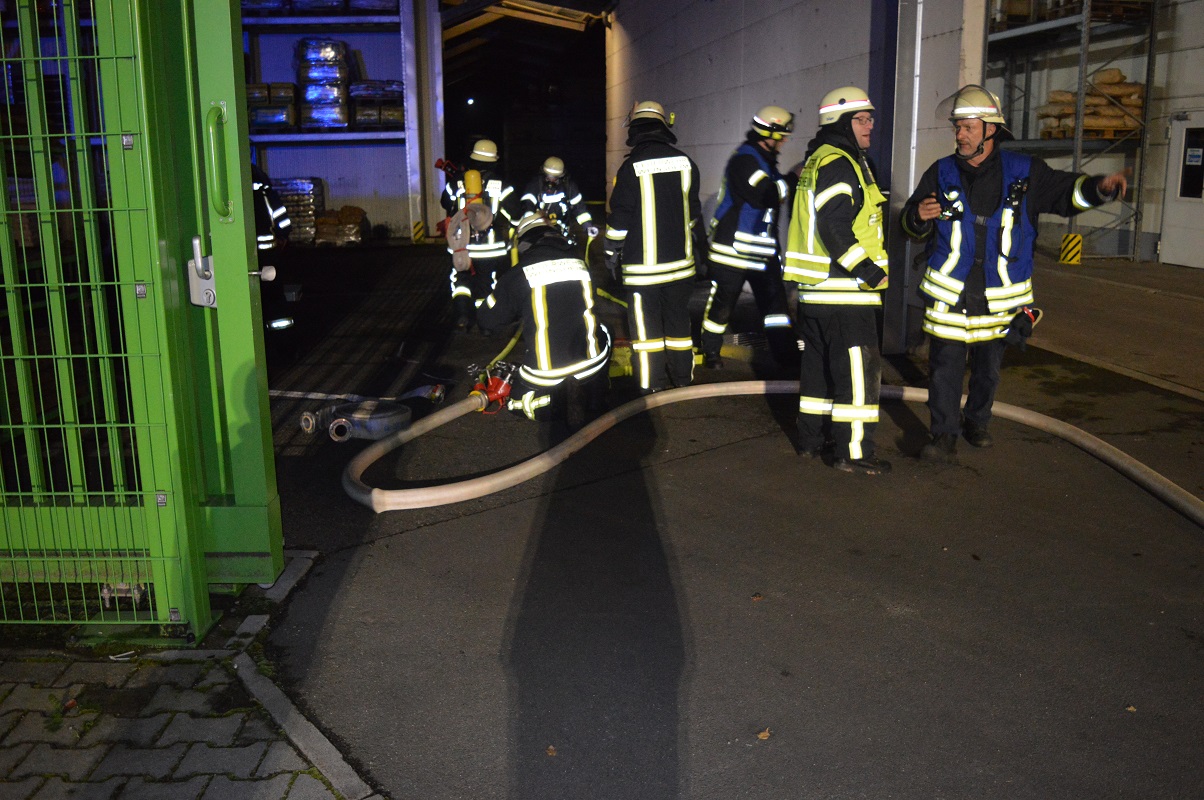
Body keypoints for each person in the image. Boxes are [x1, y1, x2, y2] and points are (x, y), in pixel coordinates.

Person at [901, 84, 1129, 462]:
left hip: (1000, 297)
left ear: (990, 130)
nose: (960, 135)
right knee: (944, 371)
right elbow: (909, 225)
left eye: (968, 127)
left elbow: (1065, 194)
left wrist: (1098, 189)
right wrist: (917, 216)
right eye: (957, 127)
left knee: (988, 371)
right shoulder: (940, 172)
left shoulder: (1026, 171)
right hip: (950, 295)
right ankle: (943, 436)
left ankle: (977, 422)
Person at [783, 86, 891, 475]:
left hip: (815, 292)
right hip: (847, 294)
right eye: (861, 119)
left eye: (870, 118)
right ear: (841, 122)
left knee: (817, 373)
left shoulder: (818, 159)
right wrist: (869, 271)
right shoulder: (841, 163)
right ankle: (854, 452)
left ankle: (811, 441)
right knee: (858, 376)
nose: (870, 125)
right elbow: (834, 226)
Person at [477, 211, 611, 438]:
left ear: (525, 243)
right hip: (592, 364)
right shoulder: (580, 263)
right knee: (606, 329)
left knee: (516, 403)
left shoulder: (518, 275)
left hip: (546, 375)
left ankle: (554, 403)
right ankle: (595, 389)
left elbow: (488, 320)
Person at [603, 100, 704, 394]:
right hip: (681, 268)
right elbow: (693, 214)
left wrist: (611, 251)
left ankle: (652, 385)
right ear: (663, 126)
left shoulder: (631, 168)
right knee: (678, 325)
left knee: (647, 332)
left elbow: (620, 218)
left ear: (635, 129)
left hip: (643, 272)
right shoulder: (686, 163)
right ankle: (683, 378)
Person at [701, 106, 796, 369]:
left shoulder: (765, 162)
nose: (784, 141)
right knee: (722, 306)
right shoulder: (744, 160)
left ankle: (787, 359)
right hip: (732, 252)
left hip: (761, 252)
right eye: (782, 136)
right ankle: (711, 352)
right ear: (768, 134)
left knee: (776, 311)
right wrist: (792, 178)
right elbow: (765, 194)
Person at [440, 138, 520, 332]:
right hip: (490, 249)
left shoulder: (457, 182)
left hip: (461, 246)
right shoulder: (503, 186)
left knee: (460, 282)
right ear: (494, 162)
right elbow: (516, 215)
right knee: (486, 286)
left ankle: (462, 318)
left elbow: (445, 203)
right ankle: (485, 325)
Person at [520, 156, 598, 246]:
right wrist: (529, 225)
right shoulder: (535, 185)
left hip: (562, 233)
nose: (551, 180)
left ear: (561, 176)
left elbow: (579, 208)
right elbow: (527, 205)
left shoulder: (569, 187)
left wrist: (588, 226)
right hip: (539, 232)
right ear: (543, 173)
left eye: (554, 177)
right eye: (548, 177)